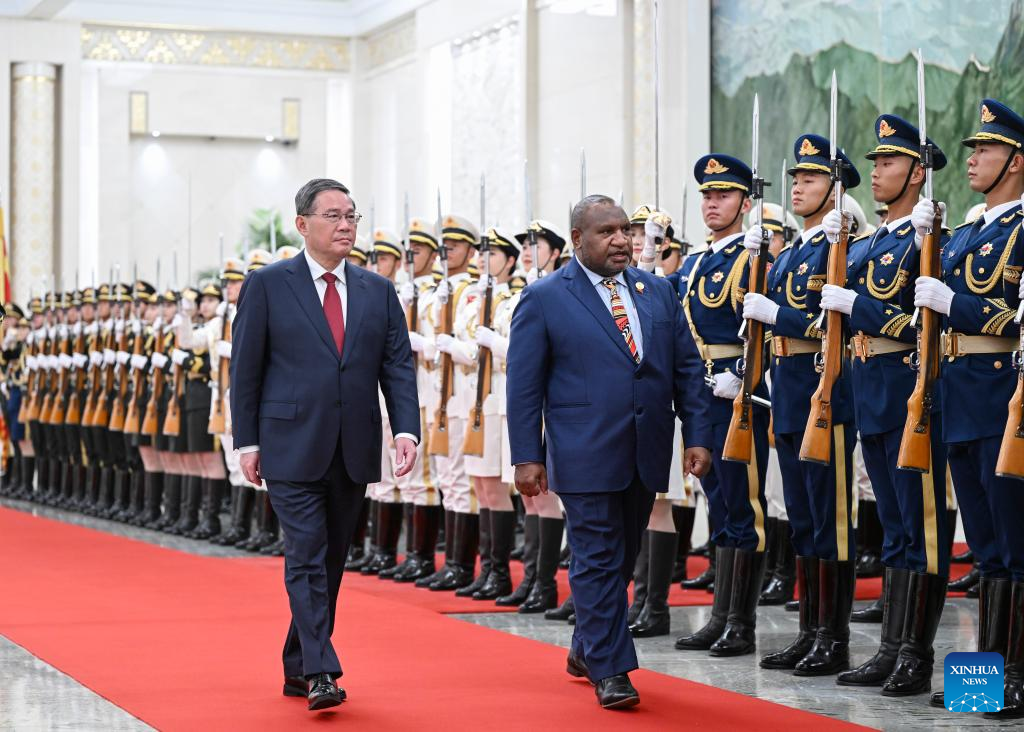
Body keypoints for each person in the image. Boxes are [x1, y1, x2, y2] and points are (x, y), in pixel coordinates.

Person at [507, 193, 711, 710]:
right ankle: (613, 668)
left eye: (624, 230)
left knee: (619, 558)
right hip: (583, 450)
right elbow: (524, 385)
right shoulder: (546, 297)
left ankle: (585, 646)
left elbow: (685, 368)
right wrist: (527, 454)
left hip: (645, 449)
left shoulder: (657, 291)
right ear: (577, 240)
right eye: (607, 232)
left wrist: (699, 434)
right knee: (596, 556)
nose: (622, 240)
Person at [231, 178, 420, 711]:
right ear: (303, 225)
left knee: (332, 560)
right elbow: (246, 370)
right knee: (307, 555)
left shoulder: (376, 290)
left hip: (353, 445)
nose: (345, 226)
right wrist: (247, 440)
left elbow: (396, 367)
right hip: (288, 443)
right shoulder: (268, 285)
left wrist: (405, 429)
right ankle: (320, 670)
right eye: (334, 216)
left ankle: (297, 661)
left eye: (352, 216)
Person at [818, 114, 952, 695]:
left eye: (889, 163)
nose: (876, 173)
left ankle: (926, 662)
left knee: (929, 534)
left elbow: (917, 320)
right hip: (872, 395)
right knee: (896, 531)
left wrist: (858, 305)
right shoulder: (874, 240)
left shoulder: (927, 238)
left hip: (909, 393)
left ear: (918, 173)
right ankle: (893, 650)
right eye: (874, 163)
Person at [918, 100, 1024, 717]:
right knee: (984, 551)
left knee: (1015, 545)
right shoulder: (965, 232)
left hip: (1002, 399)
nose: (972, 159)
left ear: (1015, 160)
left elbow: (1014, 319)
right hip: (960, 397)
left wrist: (953, 302)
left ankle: (1015, 678)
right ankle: (980, 682)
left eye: (985, 149)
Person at [745, 134, 860, 677]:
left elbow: (830, 323)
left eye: (810, 179)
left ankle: (832, 639)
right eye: (795, 178)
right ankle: (810, 632)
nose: (797, 186)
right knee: (805, 518)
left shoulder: (839, 247)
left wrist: (776, 316)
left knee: (830, 518)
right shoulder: (792, 250)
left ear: (835, 189)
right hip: (788, 391)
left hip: (824, 391)